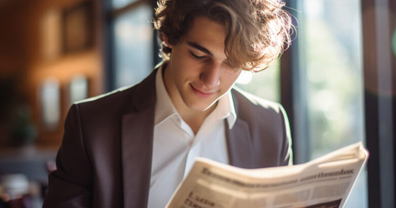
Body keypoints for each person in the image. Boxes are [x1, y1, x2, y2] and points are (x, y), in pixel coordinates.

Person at [43, 0, 294, 207]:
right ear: (168, 38)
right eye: (199, 55)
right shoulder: (91, 124)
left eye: (232, 64)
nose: (211, 80)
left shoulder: (271, 124)